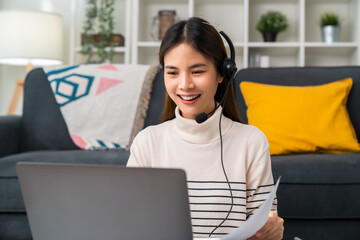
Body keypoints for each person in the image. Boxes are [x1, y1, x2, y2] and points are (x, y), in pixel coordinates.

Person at [127, 17, 284, 239]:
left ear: (223, 73)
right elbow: (130, 223)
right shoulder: (147, 143)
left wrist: (272, 233)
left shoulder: (252, 141)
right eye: (173, 73)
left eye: (197, 71)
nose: (185, 84)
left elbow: (263, 225)